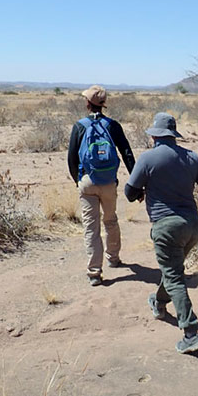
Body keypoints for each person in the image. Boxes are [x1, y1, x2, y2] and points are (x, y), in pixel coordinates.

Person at [124, 112, 198, 354]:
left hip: (166, 227)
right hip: (193, 227)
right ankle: (158, 303)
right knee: (173, 271)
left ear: (155, 135)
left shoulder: (147, 159)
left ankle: (190, 332)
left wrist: (142, 192)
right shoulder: (192, 158)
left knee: (174, 277)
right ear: (173, 135)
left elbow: (128, 192)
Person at [67, 85, 136, 286]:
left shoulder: (79, 126)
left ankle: (94, 273)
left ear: (88, 103)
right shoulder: (113, 125)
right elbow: (127, 153)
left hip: (87, 181)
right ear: (103, 104)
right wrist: (136, 182)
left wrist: (78, 180)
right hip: (108, 182)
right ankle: (113, 258)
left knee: (91, 227)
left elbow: (71, 158)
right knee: (111, 220)